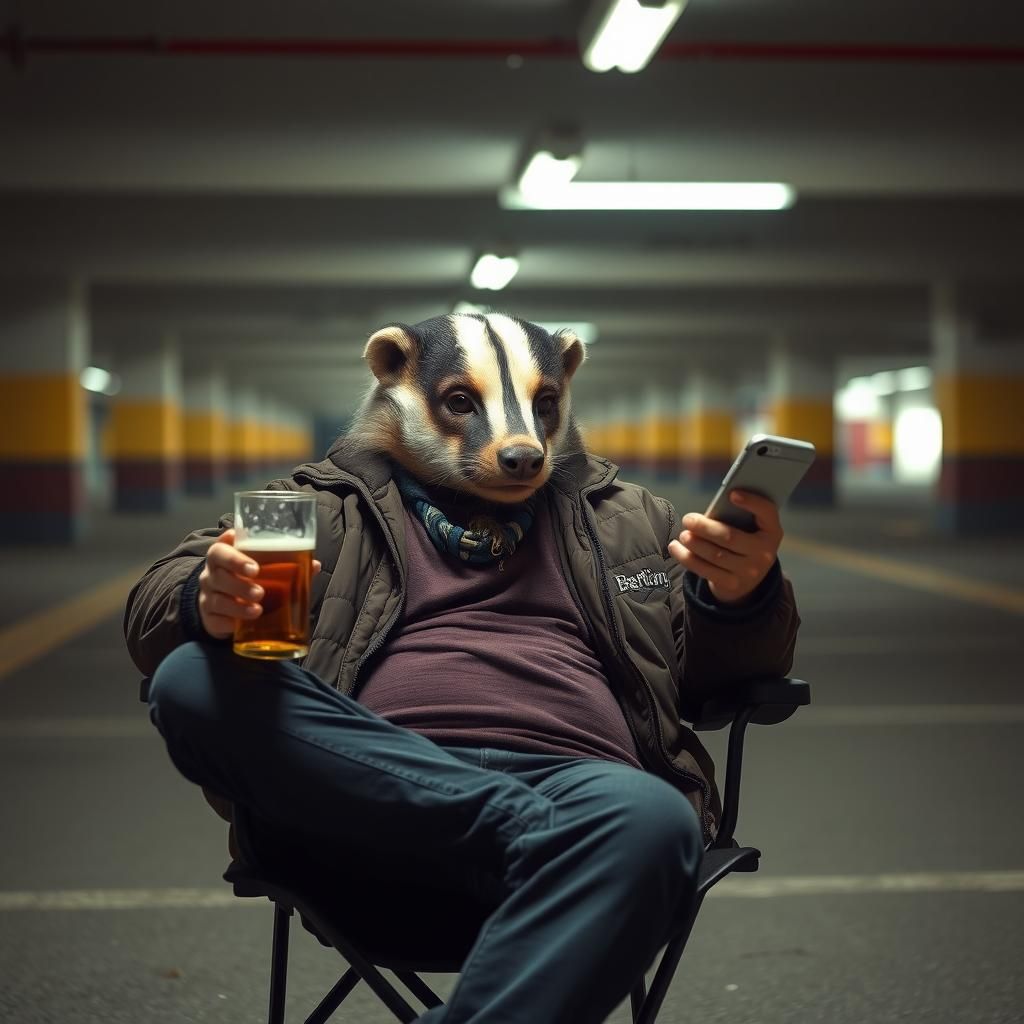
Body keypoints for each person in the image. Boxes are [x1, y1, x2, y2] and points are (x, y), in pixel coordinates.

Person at [125, 313, 799, 1023]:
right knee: (188, 681)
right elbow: (150, 610)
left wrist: (739, 597)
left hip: (586, 797)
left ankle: (544, 832)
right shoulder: (314, 511)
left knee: (654, 818)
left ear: (566, 384)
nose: (520, 444)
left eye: (542, 408)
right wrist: (204, 598)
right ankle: (533, 832)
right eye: (459, 402)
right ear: (392, 375)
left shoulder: (632, 522)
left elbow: (717, 681)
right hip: (365, 812)